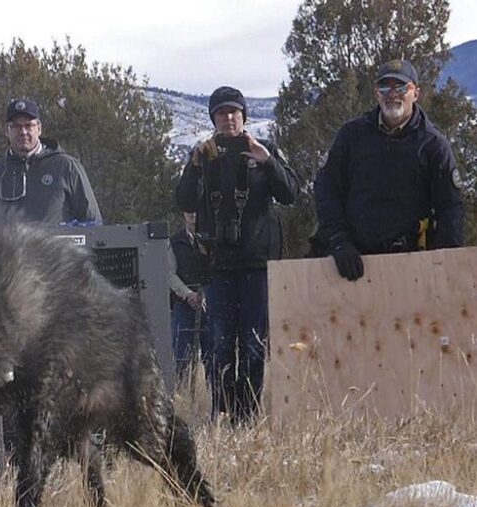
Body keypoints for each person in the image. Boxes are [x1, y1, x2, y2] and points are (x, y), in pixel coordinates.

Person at [175, 86, 299, 426]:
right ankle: (222, 413)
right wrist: (194, 166)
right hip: (218, 267)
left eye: (234, 112)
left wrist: (267, 161)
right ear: (213, 118)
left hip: (257, 265)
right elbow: (184, 201)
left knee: (254, 344)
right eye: (221, 113)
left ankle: (248, 417)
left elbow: (291, 193)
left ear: (244, 116)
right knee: (219, 344)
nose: (228, 118)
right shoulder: (204, 156)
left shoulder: (264, 149)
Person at [313, 59, 465, 281]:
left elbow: (450, 208)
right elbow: (326, 190)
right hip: (353, 263)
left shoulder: (433, 145)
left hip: (412, 265)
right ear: (376, 93)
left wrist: (444, 266)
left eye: (401, 87)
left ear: (416, 93)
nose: (392, 94)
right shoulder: (351, 136)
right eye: (385, 87)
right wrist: (338, 241)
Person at [0, 98, 103, 227]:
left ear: (39, 128)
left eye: (28, 125)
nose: (23, 132)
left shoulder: (67, 166)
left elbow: (92, 222)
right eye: (16, 126)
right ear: (7, 131)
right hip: (6, 241)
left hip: (54, 241)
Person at [168, 212, 210, 387]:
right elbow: (169, 274)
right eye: (189, 212)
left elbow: (217, 270)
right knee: (181, 357)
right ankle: (182, 395)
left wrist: (204, 295)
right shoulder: (174, 241)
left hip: (209, 304)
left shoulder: (210, 239)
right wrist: (188, 294)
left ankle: (213, 395)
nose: (193, 216)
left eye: (196, 211)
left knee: (212, 356)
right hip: (183, 304)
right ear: (184, 215)